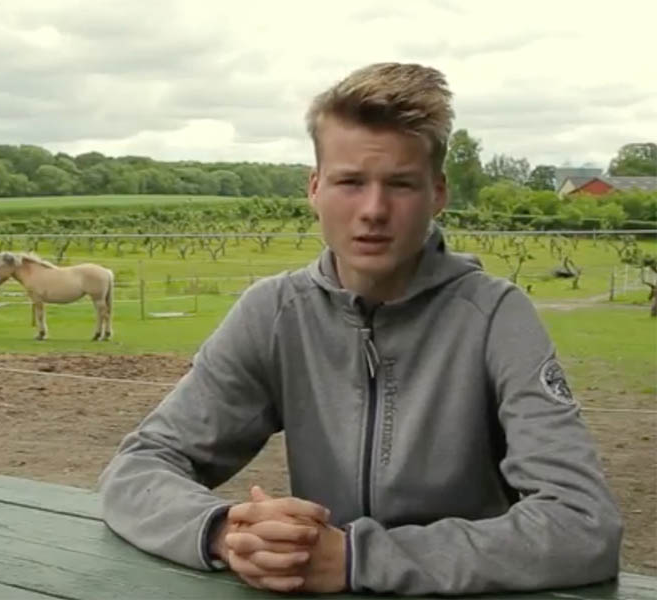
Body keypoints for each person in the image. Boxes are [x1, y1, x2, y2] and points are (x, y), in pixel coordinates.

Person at [99, 62, 622, 595]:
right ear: (315, 187)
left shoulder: (495, 317)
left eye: (400, 184)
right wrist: (226, 534)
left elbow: (583, 525)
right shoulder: (275, 313)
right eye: (350, 182)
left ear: (437, 194)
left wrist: (355, 559)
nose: (373, 210)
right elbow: (138, 468)